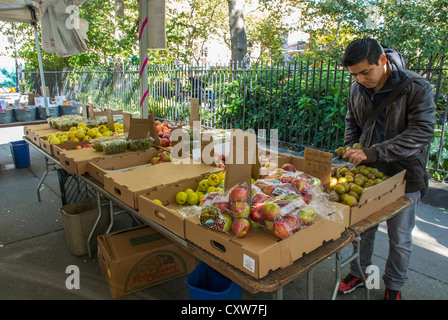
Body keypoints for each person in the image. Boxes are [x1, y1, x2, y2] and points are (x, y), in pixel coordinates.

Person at [337, 37, 435, 300]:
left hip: (406, 176)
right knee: (362, 232)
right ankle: (358, 273)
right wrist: (351, 146)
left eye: (365, 72)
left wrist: (372, 152)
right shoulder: (357, 89)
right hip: (368, 177)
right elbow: (352, 122)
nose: (359, 79)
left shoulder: (415, 88)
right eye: (354, 74)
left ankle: (393, 286)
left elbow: (421, 133)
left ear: (382, 61)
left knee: (400, 238)